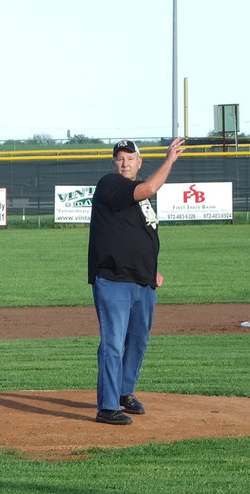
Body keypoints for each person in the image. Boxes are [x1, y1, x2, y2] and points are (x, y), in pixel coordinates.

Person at [87, 137, 185, 425]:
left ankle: (123, 392)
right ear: (114, 163)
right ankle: (106, 407)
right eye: (120, 157)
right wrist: (169, 160)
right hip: (114, 279)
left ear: (140, 162)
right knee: (113, 343)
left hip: (142, 281)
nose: (125, 162)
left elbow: (144, 235)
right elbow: (150, 187)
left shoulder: (142, 201)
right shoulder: (110, 184)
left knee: (138, 341)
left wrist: (151, 268)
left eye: (130, 157)